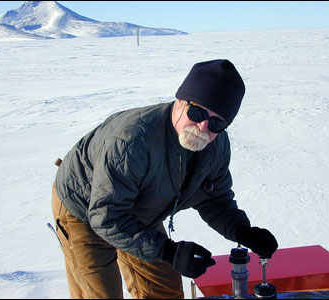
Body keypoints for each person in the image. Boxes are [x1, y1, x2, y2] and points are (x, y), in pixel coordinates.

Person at [51, 59, 278, 299]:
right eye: (197, 112)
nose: (203, 126)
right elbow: (106, 217)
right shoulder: (131, 142)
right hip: (83, 208)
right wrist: (169, 251)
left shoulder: (216, 146)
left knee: (165, 290)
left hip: (140, 209)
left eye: (216, 123)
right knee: (102, 294)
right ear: (180, 102)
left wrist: (242, 231)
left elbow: (214, 199)